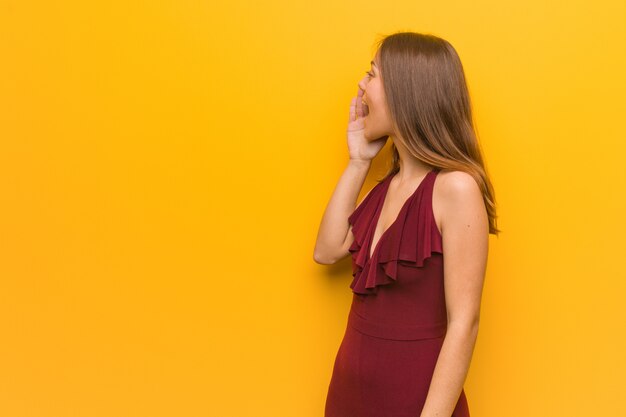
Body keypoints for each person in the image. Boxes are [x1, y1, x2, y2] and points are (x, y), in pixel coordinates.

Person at [313, 31, 500, 417]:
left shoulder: (456, 188)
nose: (362, 86)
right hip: (348, 395)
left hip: (415, 401)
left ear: (405, 90)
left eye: (372, 74)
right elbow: (326, 250)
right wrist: (358, 162)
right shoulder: (387, 187)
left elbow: (464, 323)